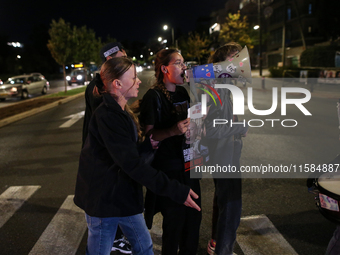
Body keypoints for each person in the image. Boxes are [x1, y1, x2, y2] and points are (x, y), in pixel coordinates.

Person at [74, 57, 200, 255]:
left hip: (122, 195)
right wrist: (176, 190)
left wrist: (149, 145)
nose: (139, 81)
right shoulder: (108, 115)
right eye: (133, 78)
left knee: (144, 247)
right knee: (100, 251)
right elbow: (131, 164)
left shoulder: (120, 109)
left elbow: (126, 155)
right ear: (117, 84)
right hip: (104, 200)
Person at [139, 49, 202, 255]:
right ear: (165, 69)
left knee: (193, 221)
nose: (184, 67)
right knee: (174, 223)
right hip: (168, 170)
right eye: (178, 63)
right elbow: (149, 138)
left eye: (184, 63)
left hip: (189, 164)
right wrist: (173, 130)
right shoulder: (153, 97)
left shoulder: (183, 92)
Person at [203, 42, 249, 255]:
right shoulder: (218, 89)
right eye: (235, 58)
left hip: (226, 154)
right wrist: (240, 127)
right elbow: (210, 129)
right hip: (223, 156)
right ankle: (223, 250)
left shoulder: (223, 87)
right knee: (231, 208)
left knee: (225, 202)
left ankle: (218, 245)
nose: (240, 63)